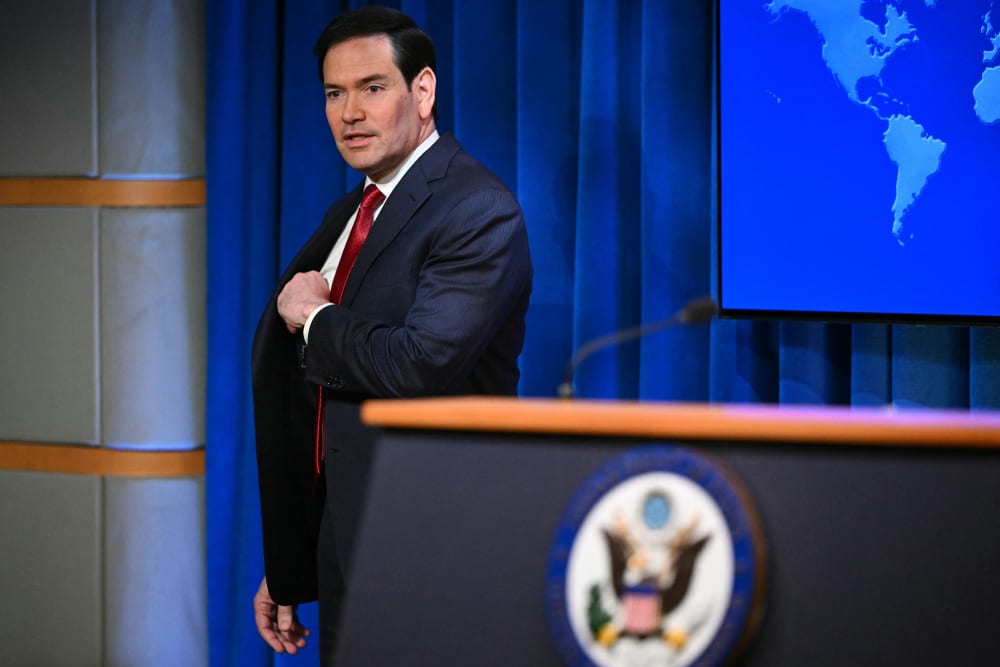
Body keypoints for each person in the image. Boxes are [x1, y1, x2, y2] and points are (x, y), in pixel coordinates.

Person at [249, 5, 532, 662]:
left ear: (423, 91)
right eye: (334, 93)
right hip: (352, 543)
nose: (350, 112)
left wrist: (314, 317)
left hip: (436, 552)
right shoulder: (354, 207)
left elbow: (419, 364)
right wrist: (296, 559)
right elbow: (334, 412)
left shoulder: (474, 208)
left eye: (372, 88)